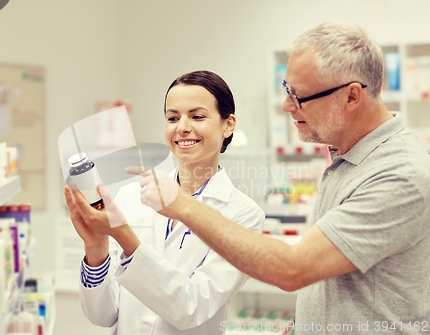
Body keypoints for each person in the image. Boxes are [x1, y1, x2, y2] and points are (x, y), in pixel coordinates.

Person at [130, 22, 430, 334]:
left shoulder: (399, 174)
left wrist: (181, 205)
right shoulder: (347, 159)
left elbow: (293, 269)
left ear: (351, 96)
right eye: (287, 90)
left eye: (299, 96)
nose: (287, 106)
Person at [64, 70, 265, 334]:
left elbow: (192, 308)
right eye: (173, 117)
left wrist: (123, 236)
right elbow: (103, 315)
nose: (182, 127)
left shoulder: (244, 216)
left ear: (228, 124)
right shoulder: (130, 197)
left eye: (197, 116)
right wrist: (96, 246)